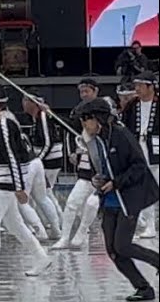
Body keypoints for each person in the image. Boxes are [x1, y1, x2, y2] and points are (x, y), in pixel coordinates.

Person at [76, 97, 160, 300]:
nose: (84, 125)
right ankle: (143, 288)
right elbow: (104, 167)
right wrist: (99, 180)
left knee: (122, 245)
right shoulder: (96, 140)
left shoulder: (121, 135)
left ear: (98, 118)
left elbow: (139, 166)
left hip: (129, 196)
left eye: (86, 120)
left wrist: (116, 182)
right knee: (113, 251)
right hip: (109, 200)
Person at [0, 86, 51, 282]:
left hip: (4, 182)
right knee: (14, 225)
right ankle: (41, 257)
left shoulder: (5, 124)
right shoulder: (1, 120)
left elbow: (11, 155)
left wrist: (19, 186)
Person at [55, 78, 105, 249]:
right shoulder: (77, 112)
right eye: (81, 91)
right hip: (85, 168)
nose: (84, 95)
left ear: (95, 91)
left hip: (103, 170)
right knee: (72, 203)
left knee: (92, 204)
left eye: (87, 91)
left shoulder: (106, 111)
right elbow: (72, 134)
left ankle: (82, 231)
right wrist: (74, 151)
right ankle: (64, 237)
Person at [120, 72, 158, 239]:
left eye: (140, 86)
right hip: (138, 148)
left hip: (156, 150)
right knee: (145, 188)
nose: (137, 89)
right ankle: (150, 226)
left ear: (151, 87)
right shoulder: (132, 105)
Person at [21, 95, 65, 236]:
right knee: (45, 195)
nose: (23, 104)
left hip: (49, 161)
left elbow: (48, 141)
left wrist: (37, 159)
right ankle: (57, 225)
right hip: (45, 160)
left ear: (32, 103)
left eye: (25, 100)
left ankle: (59, 224)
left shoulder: (43, 117)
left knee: (46, 194)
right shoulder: (36, 118)